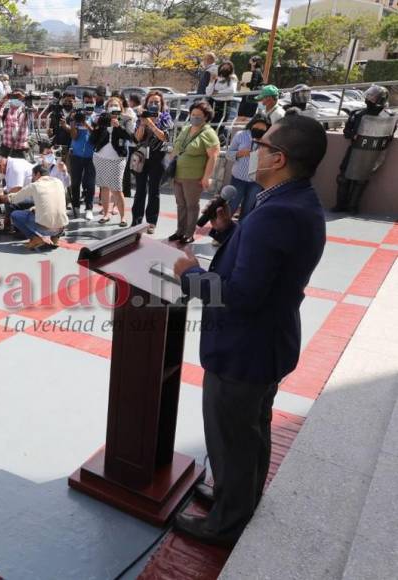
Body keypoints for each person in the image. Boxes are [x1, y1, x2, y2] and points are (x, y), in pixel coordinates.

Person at [172, 114, 328, 547]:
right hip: (269, 342)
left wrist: (188, 274)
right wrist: (229, 231)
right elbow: (265, 264)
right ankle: (238, 497)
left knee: (232, 438)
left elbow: (240, 295)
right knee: (252, 429)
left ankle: (225, 522)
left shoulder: (275, 213)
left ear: (278, 158)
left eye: (261, 145)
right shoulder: (291, 201)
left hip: (244, 349)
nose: (252, 150)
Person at [332, 85, 397, 214]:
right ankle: (340, 205)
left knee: (361, 180)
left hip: (373, 152)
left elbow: (389, 136)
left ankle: (352, 207)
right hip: (355, 149)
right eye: (370, 95)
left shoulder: (388, 117)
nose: (369, 98)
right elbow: (347, 132)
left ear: (380, 99)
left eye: (373, 96)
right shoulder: (357, 114)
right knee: (343, 178)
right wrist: (353, 135)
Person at [169, 100, 220, 245]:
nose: (194, 117)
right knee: (181, 204)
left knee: (192, 206)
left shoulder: (209, 133)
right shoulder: (186, 129)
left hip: (193, 177)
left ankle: (189, 234)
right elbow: (177, 148)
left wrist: (206, 177)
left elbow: (213, 156)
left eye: (198, 115)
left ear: (206, 117)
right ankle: (180, 231)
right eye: (192, 114)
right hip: (178, 174)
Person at [0, 164, 69, 250]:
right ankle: (55, 239)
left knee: (15, 215)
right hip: (61, 228)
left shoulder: (35, 185)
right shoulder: (59, 182)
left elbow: (15, 198)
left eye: (33, 176)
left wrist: (0, 199)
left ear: (38, 174)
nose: (32, 179)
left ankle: (35, 239)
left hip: (45, 228)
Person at [131, 91, 173, 232]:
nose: (154, 105)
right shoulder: (142, 117)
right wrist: (143, 124)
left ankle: (151, 222)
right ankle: (136, 220)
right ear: (146, 104)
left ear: (161, 105)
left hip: (158, 157)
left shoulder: (166, 117)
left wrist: (151, 123)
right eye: (151, 102)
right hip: (142, 156)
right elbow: (137, 138)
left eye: (157, 102)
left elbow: (164, 137)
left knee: (154, 191)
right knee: (140, 190)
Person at [91, 97, 134, 227]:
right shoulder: (103, 118)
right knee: (104, 187)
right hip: (100, 157)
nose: (113, 107)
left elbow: (130, 137)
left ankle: (123, 217)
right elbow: (93, 139)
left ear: (120, 107)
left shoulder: (126, 119)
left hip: (117, 158)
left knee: (117, 188)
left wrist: (119, 126)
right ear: (107, 107)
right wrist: (98, 126)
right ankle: (106, 213)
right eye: (110, 105)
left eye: (116, 105)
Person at [225, 112, 270, 221]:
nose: (258, 130)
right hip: (238, 178)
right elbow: (228, 154)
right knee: (231, 206)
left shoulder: (268, 139)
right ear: (252, 124)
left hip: (256, 181)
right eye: (256, 127)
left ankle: (241, 234)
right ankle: (220, 233)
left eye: (262, 129)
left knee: (248, 210)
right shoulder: (241, 135)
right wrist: (239, 153)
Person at [69, 95, 96, 220]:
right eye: (87, 102)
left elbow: (96, 135)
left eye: (91, 102)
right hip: (76, 155)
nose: (89, 104)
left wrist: (85, 123)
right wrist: (74, 122)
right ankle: (75, 207)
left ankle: (89, 208)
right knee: (75, 182)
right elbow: (73, 136)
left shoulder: (96, 117)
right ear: (83, 103)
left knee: (90, 184)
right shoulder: (76, 116)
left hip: (91, 156)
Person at [0, 90, 29, 158]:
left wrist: (25, 98)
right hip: (6, 147)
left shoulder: (26, 109)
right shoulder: (6, 110)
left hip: (20, 148)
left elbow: (35, 109)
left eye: (19, 97)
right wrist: (4, 99)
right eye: (15, 96)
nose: (17, 99)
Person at [206, 61, 238, 125]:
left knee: (220, 125)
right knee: (210, 124)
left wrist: (218, 92)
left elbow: (232, 90)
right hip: (213, 103)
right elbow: (208, 93)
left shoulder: (232, 77)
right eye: (223, 67)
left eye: (228, 67)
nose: (225, 69)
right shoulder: (216, 78)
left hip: (224, 104)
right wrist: (211, 81)